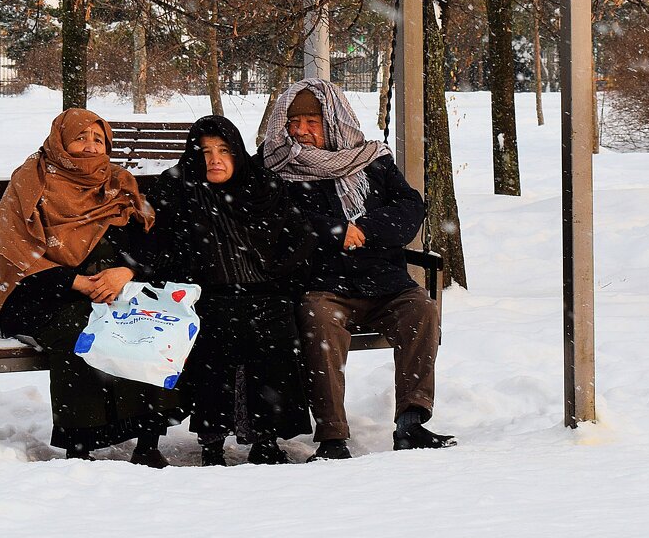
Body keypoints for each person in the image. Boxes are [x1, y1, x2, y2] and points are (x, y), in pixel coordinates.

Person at [260, 78, 456, 460]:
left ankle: (411, 422)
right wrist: (335, 231)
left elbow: (410, 209)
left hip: (385, 283)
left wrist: (365, 229)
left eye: (311, 122)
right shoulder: (276, 165)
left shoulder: (372, 160)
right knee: (319, 321)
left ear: (333, 121)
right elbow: (278, 220)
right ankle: (333, 435)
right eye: (293, 122)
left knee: (421, 309)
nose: (301, 131)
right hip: (322, 284)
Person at [0, 108, 183, 467]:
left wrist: (127, 272)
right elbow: (17, 253)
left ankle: (147, 439)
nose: (91, 147)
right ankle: (81, 443)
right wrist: (72, 281)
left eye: (99, 139)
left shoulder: (118, 181)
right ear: (61, 141)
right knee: (83, 328)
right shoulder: (31, 181)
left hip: (116, 289)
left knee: (149, 326)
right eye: (81, 138)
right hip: (43, 295)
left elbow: (151, 243)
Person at [148, 115, 314, 466]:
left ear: (237, 152)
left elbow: (297, 241)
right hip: (202, 295)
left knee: (272, 330)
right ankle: (212, 440)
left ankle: (266, 438)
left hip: (264, 292)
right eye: (205, 151)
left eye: (223, 150)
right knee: (216, 333)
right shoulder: (178, 187)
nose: (215, 159)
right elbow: (159, 246)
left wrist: (277, 278)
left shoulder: (262, 187)